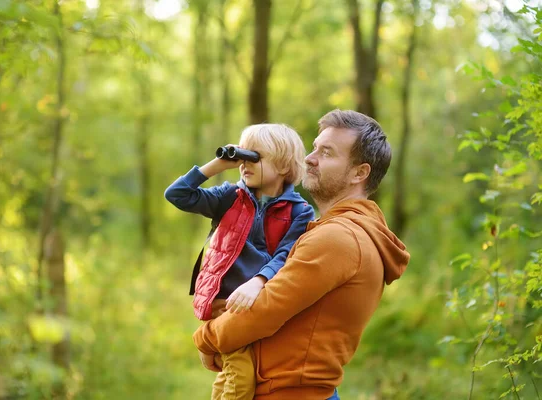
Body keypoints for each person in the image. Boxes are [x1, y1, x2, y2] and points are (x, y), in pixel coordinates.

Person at [193, 109, 411, 400]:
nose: (309, 158)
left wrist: (206, 339)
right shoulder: (341, 231)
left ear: (360, 173)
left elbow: (263, 311)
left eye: (327, 153)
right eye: (314, 148)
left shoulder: (339, 238)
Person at [164, 124, 315, 400]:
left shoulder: (300, 211)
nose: (243, 164)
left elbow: (288, 254)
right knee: (242, 380)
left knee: (235, 376)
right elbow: (177, 195)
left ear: (282, 166)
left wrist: (259, 281)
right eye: (240, 158)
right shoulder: (229, 197)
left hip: (262, 304)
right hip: (227, 305)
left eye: (254, 157)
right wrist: (217, 165)